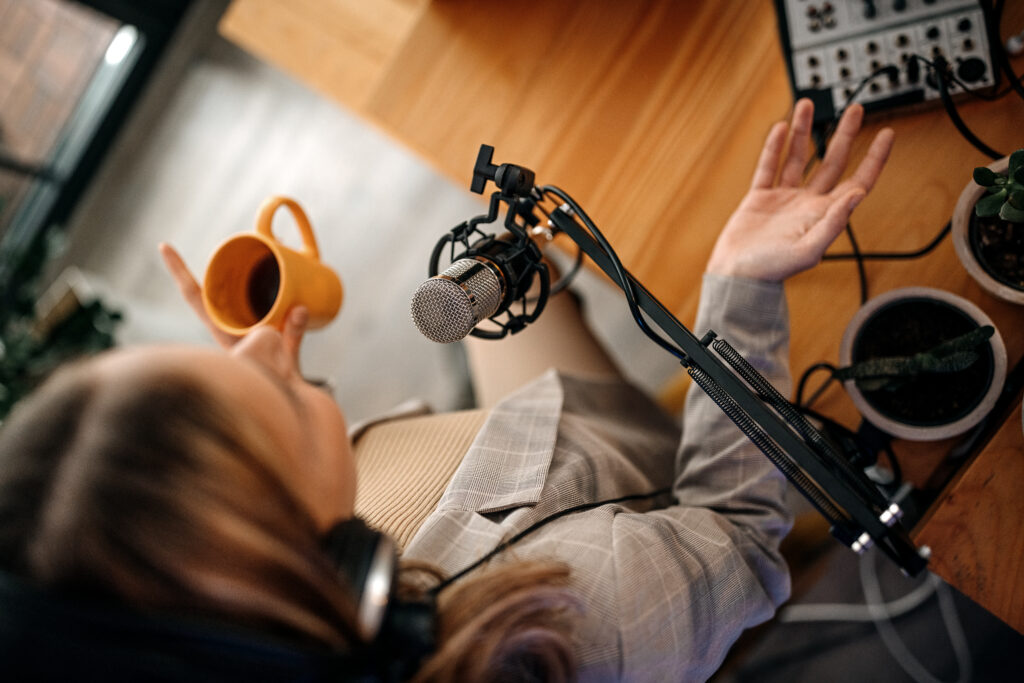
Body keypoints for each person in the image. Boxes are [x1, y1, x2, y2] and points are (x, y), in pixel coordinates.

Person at [0, 99, 893, 682]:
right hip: (625, 474)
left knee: (507, 258)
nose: (263, 346)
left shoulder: (252, 610)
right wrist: (741, 285)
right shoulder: (572, 621)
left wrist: (249, 405)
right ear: (292, 568)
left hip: (526, 434)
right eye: (264, 399)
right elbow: (737, 530)